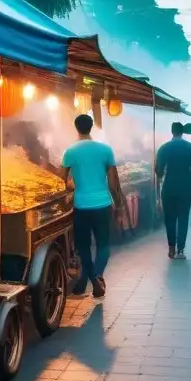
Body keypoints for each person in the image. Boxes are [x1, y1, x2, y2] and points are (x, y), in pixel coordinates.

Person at [60, 114, 124, 298]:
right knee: (104, 245)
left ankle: (88, 279)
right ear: (91, 127)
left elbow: (60, 179)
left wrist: (73, 184)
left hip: (81, 206)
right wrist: (119, 205)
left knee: (84, 246)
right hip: (103, 204)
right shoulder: (105, 150)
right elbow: (113, 184)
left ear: (76, 128)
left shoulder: (70, 152)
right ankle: (96, 276)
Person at [156, 122, 191, 259]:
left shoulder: (164, 148)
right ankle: (181, 249)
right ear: (182, 132)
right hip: (185, 188)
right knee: (183, 218)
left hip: (169, 188)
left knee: (170, 219)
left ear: (172, 131)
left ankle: (171, 248)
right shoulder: (190, 148)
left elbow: (159, 171)